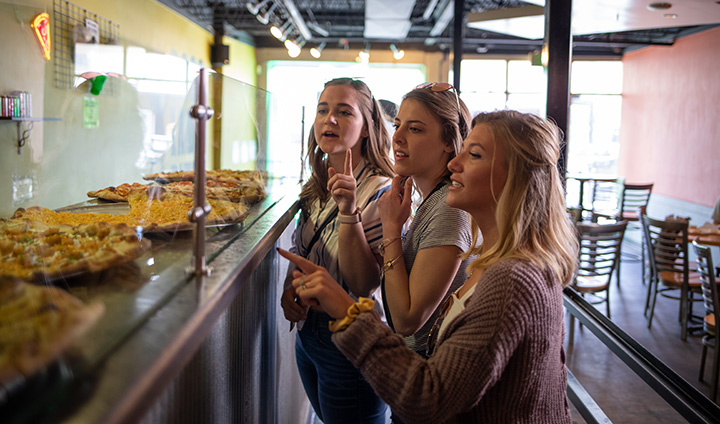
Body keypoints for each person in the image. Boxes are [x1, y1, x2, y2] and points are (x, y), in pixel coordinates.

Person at [280, 110, 579, 423]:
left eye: (474, 155)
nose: (454, 165)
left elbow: (428, 398)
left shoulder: (511, 278)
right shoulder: (498, 261)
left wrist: (347, 310)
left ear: (516, 178)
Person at [279, 77, 394, 423]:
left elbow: (363, 284)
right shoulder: (317, 181)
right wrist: (290, 288)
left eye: (344, 112)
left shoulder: (380, 192)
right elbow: (305, 247)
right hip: (308, 335)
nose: (329, 119)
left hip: (349, 342)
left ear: (367, 127)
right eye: (323, 110)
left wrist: (348, 212)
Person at [373, 83, 473, 358]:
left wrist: (391, 228)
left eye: (415, 129)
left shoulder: (448, 208)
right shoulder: (430, 199)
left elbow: (407, 320)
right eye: (397, 126)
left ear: (449, 142)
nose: (398, 138)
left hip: (429, 368)